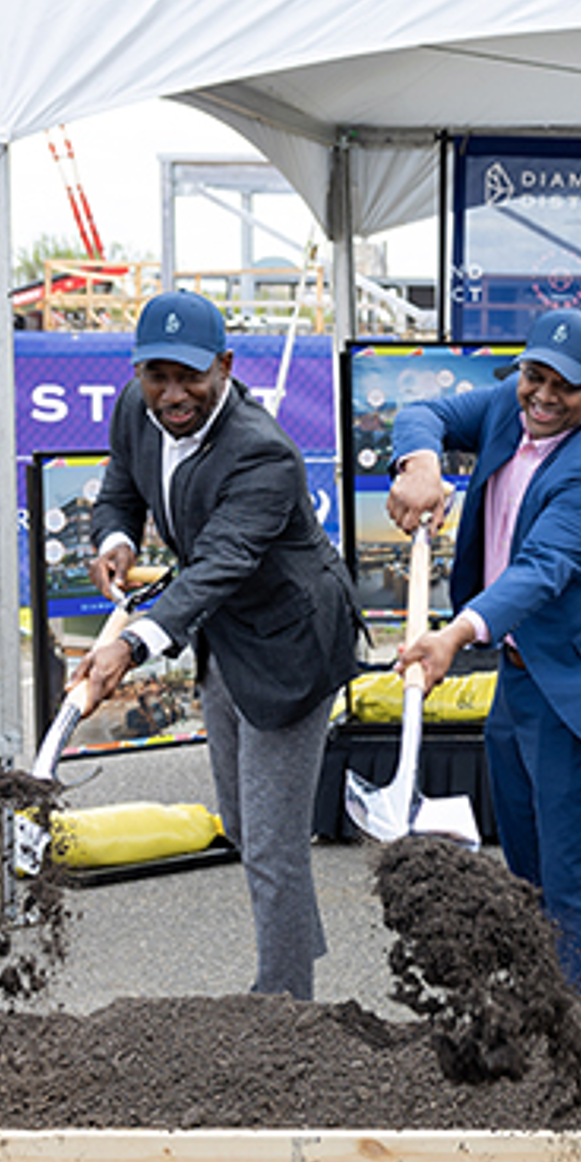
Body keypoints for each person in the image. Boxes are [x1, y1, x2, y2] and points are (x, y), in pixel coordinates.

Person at [76, 290, 365, 1001]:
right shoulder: (132, 408)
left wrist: (130, 647)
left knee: (271, 842)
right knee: (243, 824)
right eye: (158, 376)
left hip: (291, 643)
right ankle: (295, 934)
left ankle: (284, 1002)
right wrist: (115, 539)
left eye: (190, 378)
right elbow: (120, 488)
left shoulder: (264, 455)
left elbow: (219, 565)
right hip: (225, 633)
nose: (173, 394)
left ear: (226, 366)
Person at [385, 306, 581, 993]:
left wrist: (453, 635)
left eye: (564, 387)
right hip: (520, 672)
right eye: (533, 376)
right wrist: (420, 463)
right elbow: (423, 413)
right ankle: (541, 1009)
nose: (542, 396)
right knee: (526, 870)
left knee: (573, 876)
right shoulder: (511, 409)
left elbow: (539, 571)